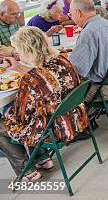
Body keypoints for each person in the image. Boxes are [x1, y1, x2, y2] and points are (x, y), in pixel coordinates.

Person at [0, 27, 87, 181]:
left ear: (26, 49)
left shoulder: (32, 79)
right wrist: (19, 67)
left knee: (5, 122)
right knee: (35, 110)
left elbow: (20, 118)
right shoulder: (61, 59)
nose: (17, 53)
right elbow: (44, 77)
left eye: (17, 49)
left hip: (56, 129)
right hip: (74, 117)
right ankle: (42, 159)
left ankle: (27, 171)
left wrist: (6, 113)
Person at [68, 0, 108, 101]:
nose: (72, 18)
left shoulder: (89, 32)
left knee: (58, 98)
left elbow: (76, 71)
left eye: (71, 14)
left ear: (78, 12)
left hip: (103, 89)